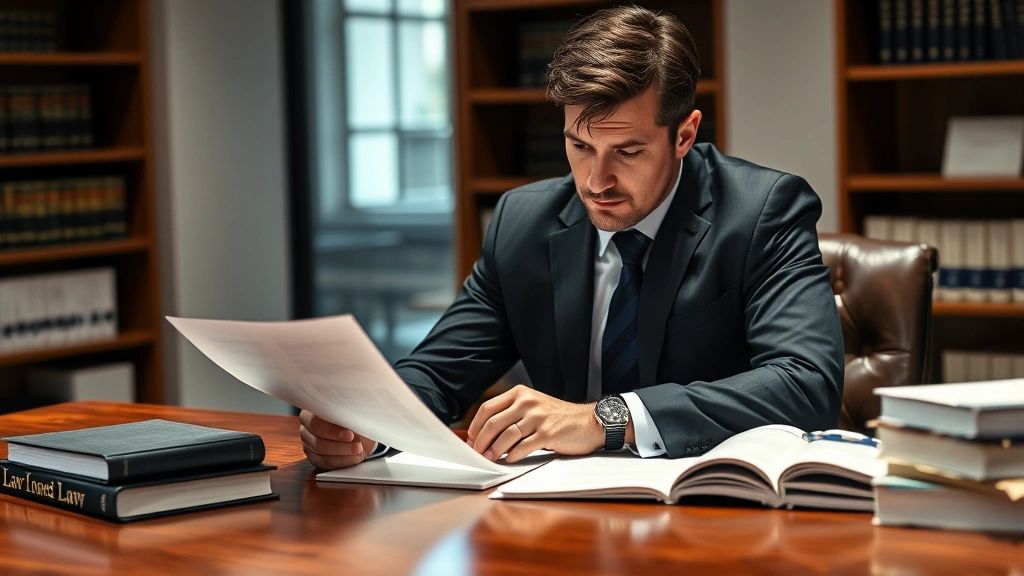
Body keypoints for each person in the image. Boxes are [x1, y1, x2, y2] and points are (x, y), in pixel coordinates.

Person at [299, 5, 844, 470]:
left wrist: (606, 419)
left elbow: (805, 384)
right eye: (580, 147)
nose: (596, 182)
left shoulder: (762, 212)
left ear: (684, 134)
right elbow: (438, 372)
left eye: (627, 152)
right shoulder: (523, 221)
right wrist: (365, 426)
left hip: (709, 513)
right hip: (554, 512)